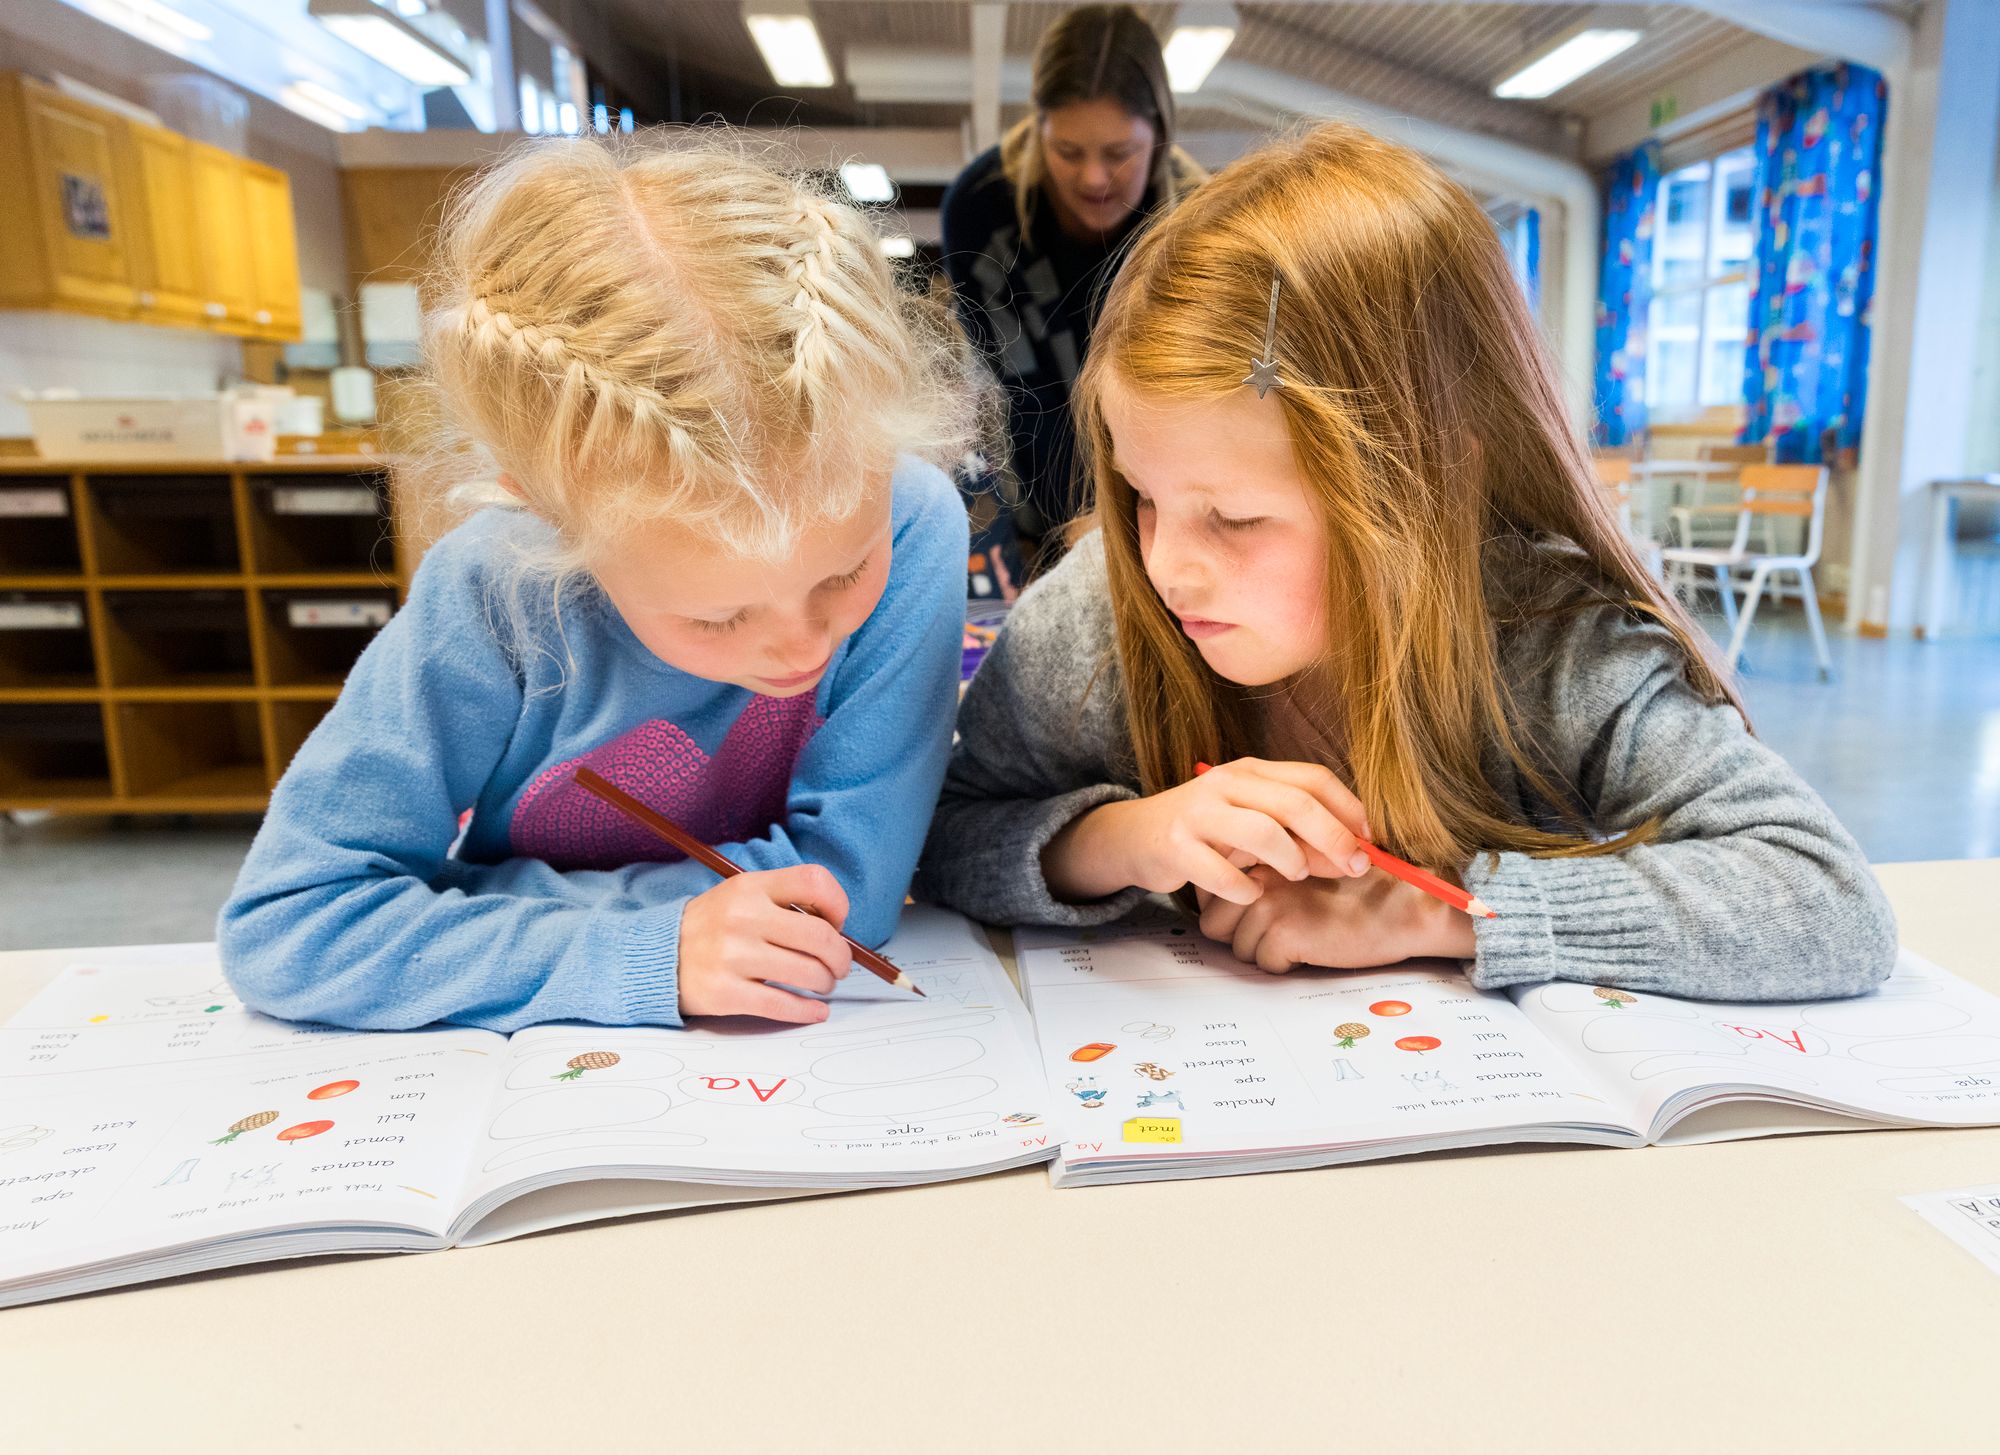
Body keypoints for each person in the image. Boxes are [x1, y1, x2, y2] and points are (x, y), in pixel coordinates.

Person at [918, 122, 1896, 1002]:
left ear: (1421, 490)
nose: (1168, 566)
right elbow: (944, 832)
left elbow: (1823, 899)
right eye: (1139, 496)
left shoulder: (1546, 641)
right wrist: (1121, 840)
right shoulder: (1096, 615)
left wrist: (1443, 913)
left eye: (1237, 517)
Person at [219, 135, 972, 1031]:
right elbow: (290, 919)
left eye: (843, 575)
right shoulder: (495, 587)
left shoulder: (912, 519)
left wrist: (477, 896)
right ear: (541, 514)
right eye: (716, 615)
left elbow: (847, 892)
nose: (802, 646)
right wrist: (644, 948)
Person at [940, 3, 1203, 568]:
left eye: (1119, 154)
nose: (1093, 177)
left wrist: (1127, 519)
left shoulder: (1197, 224)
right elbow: (996, 394)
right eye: (1067, 151)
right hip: (1036, 520)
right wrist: (1016, 536)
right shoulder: (981, 211)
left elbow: (1194, 406)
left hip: (1166, 520)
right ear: (1039, 127)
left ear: (1160, 133)